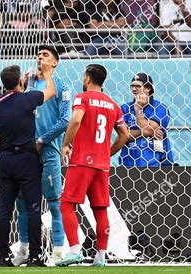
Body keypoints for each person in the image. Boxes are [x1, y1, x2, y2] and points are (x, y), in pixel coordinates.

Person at [57, 64, 129, 267]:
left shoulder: (82, 97)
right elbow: (124, 134)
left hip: (82, 161)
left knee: (67, 204)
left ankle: (74, 250)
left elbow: (76, 120)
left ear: (87, 78)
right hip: (102, 165)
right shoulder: (113, 105)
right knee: (100, 210)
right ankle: (101, 256)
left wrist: (66, 144)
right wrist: (108, 153)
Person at [0, 63, 56, 267]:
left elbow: (9, 100)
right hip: (27, 160)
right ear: (21, 81)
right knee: (33, 208)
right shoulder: (29, 98)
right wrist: (47, 74)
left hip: (6, 160)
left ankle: (3, 256)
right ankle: (35, 256)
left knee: (4, 209)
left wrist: (19, 84)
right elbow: (51, 91)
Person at [13, 46, 71, 265]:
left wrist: (42, 139)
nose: (40, 57)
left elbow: (65, 119)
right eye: (38, 55)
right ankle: (24, 251)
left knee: (55, 202)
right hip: (26, 150)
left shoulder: (62, 86)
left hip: (48, 150)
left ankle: (58, 253)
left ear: (55, 62)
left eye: (45, 55)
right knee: (22, 202)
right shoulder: (27, 85)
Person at [119, 73, 174, 167]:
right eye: (132, 86)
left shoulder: (160, 108)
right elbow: (123, 135)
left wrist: (138, 108)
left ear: (148, 88)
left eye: (138, 86)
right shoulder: (125, 108)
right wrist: (145, 132)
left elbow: (147, 129)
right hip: (128, 164)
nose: (134, 89)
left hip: (156, 164)